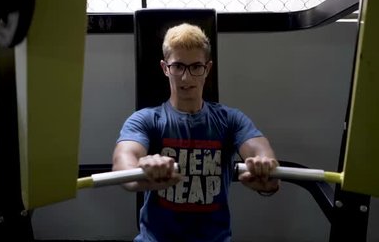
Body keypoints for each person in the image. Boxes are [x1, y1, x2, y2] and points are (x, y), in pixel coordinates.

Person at [112, 23, 280, 242]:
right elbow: (122, 163)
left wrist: (266, 171)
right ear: (165, 68)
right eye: (178, 66)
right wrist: (143, 174)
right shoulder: (145, 120)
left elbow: (262, 153)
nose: (186, 78)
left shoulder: (230, 120)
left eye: (195, 67)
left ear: (207, 69)